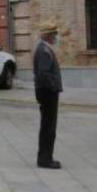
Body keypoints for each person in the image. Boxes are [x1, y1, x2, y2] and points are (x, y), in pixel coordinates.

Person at [33, 21, 63, 169]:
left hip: (46, 92)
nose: (56, 37)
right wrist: (53, 87)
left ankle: (45, 158)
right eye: (54, 34)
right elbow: (43, 74)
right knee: (48, 127)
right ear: (48, 35)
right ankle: (45, 160)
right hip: (48, 93)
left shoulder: (44, 49)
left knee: (48, 126)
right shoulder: (44, 51)